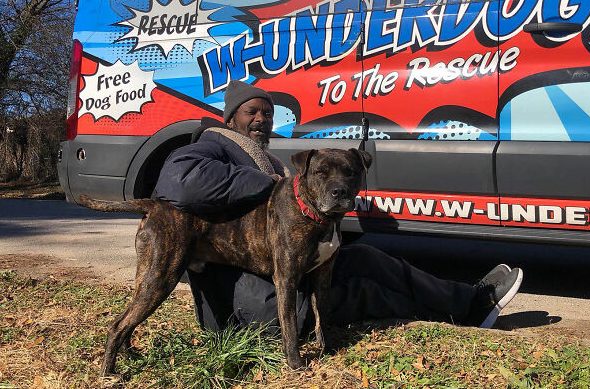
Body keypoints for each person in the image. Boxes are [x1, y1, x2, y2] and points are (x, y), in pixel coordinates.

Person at [153, 81, 523, 335]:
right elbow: (179, 182)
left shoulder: (264, 158)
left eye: (267, 113)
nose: (262, 119)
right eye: (252, 112)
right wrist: (271, 185)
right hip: (250, 301)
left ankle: (470, 302)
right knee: (362, 291)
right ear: (230, 117)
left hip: (288, 269)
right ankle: (452, 313)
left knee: (368, 259)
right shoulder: (212, 145)